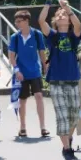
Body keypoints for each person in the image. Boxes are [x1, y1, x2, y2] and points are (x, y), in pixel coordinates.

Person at [39, 0, 81, 160]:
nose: (63, 15)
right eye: (60, 14)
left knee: (74, 115)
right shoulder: (53, 36)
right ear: (56, 21)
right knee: (62, 116)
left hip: (73, 80)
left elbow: (78, 25)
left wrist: (67, 8)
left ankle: (68, 139)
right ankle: (67, 150)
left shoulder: (73, 36)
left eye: (64, 14)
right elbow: (41, 21)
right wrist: (48, 2)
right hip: (56, 81)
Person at [8, 10, 49, 138]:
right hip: (22, 73)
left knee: (39, 96)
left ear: (26, 21)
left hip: (35, 71)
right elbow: (12, 57)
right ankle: (23, 127)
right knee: (23, 100)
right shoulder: (15, 37)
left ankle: (43, 127)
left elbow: (42, 52)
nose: (17, 23)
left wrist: (45, 66)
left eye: (19, 21)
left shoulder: (37, 34)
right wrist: (17, 70)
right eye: (16, 21)